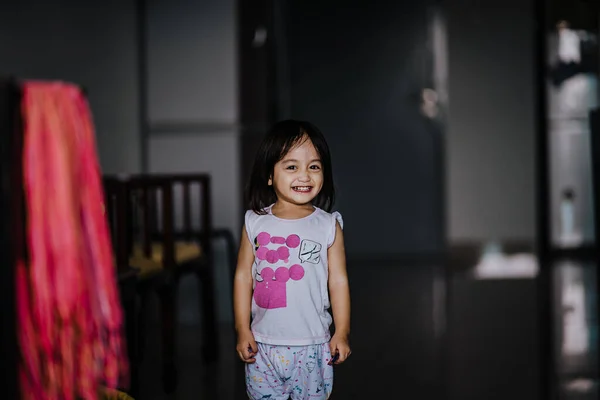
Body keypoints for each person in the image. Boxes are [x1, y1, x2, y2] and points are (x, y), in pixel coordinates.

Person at [233, 120, 351, 399]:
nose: (305, 176)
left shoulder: (327, 225)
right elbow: (243, 276)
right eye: (291, 166)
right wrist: (241, 328)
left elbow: (338, 280)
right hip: (263, 344)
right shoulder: (255, 222)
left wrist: (342, 331)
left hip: (313, 345)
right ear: (270, 175)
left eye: (314, 166)